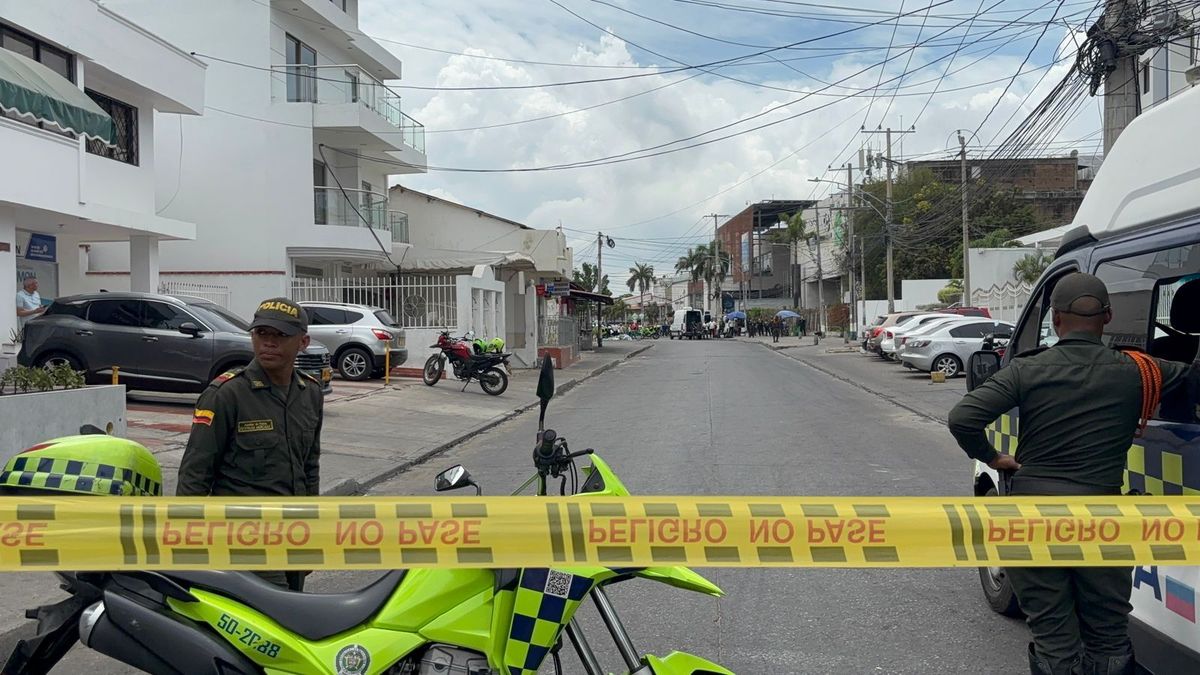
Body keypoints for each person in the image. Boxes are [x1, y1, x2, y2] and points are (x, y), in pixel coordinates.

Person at [947, 273, 1200, 675]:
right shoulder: (1140, 371)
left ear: (1055, 319)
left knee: (1052, 634)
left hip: (1033, 521)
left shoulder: (1027, 370)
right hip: (1104, 521)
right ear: (1108, 318)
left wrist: (994, 458)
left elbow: (963, 418)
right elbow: (1192, 380)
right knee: (1108, 634)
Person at [177, 297, 324, 591]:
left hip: (293, 537)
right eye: (261, 334)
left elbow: (309, 468)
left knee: (292, 622)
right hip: (244, 543)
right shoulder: (226, 394)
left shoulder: (310, 393)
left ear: (303, 342)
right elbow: (195, 475)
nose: (268, 343)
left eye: (280, 336)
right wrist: (185, 549)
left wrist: (312, 535)